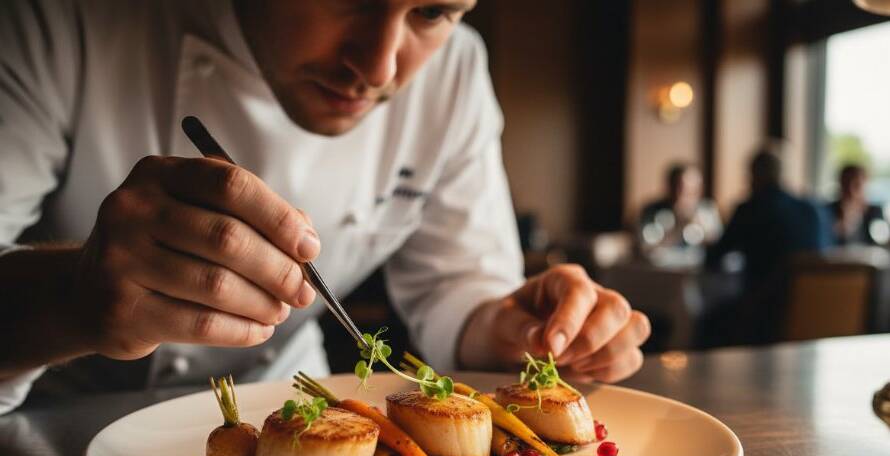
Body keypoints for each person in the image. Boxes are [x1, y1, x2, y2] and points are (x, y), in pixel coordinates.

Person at [0, 0, 650, 414]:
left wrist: (514, 328)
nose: (377, 66)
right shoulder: (54, 20)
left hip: (290, 407)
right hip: (48, 425)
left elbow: (459, 283)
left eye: (432, 12)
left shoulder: (454, 74)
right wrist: (72, 295)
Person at [702, 145, 830, 345]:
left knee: (706, 321)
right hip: (817, 311)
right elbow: (823, 258)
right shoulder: (813, 209)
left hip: (763, 313)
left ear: (754, 174)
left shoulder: (750, 209)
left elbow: (713, 260)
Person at [638, 163, 722, 254]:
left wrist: (702, 228)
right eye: (679, 188)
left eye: (691, 191)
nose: (682, 196)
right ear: (670, 187)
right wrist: (678, 228)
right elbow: (645, 247)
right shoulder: (652, 211)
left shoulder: (707, 210)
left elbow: (719, 246)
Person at [826, 164, 887, 246]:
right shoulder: (828, 210)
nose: (851, 190)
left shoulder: (874, 211)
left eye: (856, 185)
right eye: (846, 184)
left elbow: (882, 240)